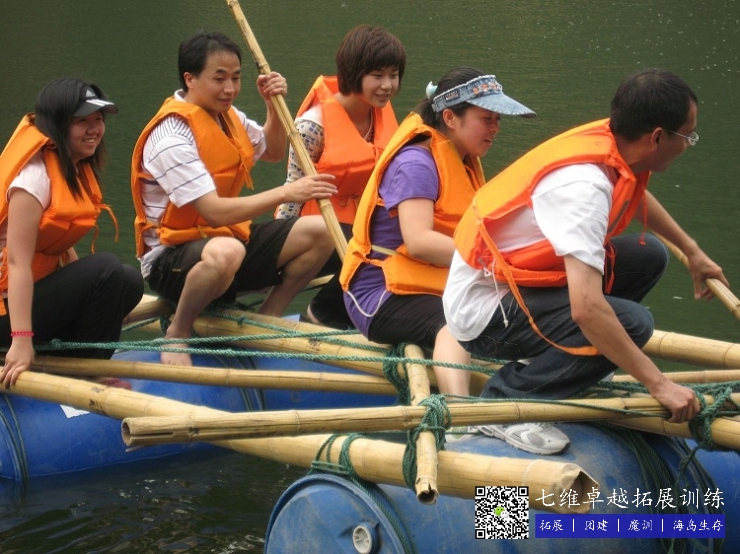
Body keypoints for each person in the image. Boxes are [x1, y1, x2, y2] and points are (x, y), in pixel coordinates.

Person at [445, 68, 729, 455]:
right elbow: (587, 309)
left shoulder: (614, 144)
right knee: (633, 323)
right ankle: (503, 403)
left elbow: (633, 193)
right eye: (687, 136)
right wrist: (659, 384)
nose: (688, 145)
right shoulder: (584, 187)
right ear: (657, 138)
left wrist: (692, 251)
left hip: (516, 285)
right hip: (485, 310)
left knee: (649, 256)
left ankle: (572, 364)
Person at [131, 30, 337, 366]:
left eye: (236, 78)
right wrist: (287, 192)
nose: (230, 88)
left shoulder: (228, 116)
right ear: (190, 78)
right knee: (227, 251)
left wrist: (272, 105)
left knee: (321, 230)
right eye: (219, 78)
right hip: (172, 261)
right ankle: (178, 332)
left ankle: (266, 320)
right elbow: (212, 211)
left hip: (225, 241)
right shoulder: (170, 136)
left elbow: (272, 152)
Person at [339, 67, 535, 398]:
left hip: (432, 281)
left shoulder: (461, 158)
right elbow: (418, 242)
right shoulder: (417, 162)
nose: (495, 128)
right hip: (380, 291)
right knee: (454, 322)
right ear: (450, 118)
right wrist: (495, 264)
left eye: (497, 120)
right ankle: (458, 410)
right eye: (486, 118)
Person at [0, 78, 145, 389]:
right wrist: (21, 339)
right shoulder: (32, 178)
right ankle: (83, 372)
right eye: (82, 121)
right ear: (58, 123)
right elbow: (16, 262)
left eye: (98, 119)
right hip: (6, 314)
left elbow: (57, 242)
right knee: (107, 269)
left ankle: (80, 362)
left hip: (28, 300)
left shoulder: (73, 166)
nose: (94, 129)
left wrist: (101, 300)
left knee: (127, 281)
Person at [275, 24, 406, 329]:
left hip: (358, 227)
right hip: (317, 234)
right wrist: (278, 251)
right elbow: (292, 189)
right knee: (377, 246)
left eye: (394, 75)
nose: (387, 85)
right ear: (353, 73)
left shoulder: (380, 114)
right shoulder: (312, 126)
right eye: (377, 76)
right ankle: (321, 314)